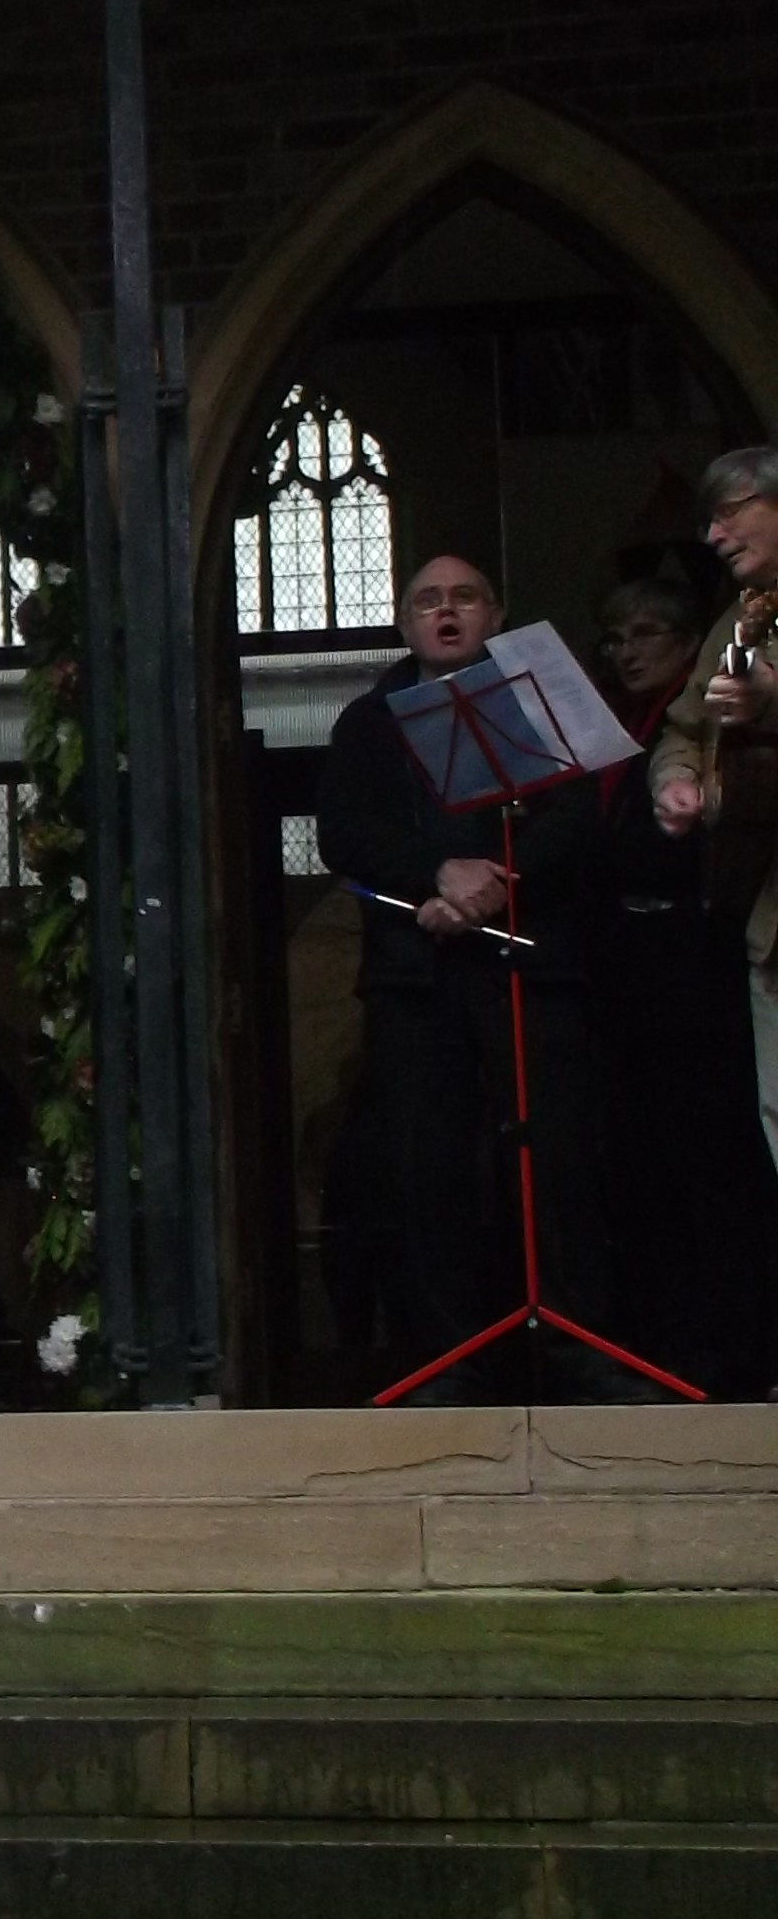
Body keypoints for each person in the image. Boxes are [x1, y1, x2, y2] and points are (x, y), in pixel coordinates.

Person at [314, 550, 621, 1391]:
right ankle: (450, 1360)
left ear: (496, 613)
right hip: (418, 974)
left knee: (557, 1163)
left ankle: (577, 1351)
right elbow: (343, 835)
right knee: (429, 1168)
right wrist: (438, 875)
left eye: (465, 598)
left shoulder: (540, 703)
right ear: (404, 623)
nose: (445, 613)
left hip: (532, 967)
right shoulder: (367, 723)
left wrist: (493, 885)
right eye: (427, 602)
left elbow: (577, 819)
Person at [590, 558, 776, 1397]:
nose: (628, 651)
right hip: (627, 970)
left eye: (647, 634)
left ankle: (735, 1352)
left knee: (716, 1161)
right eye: (616, 637)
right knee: (647, 1168)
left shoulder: (699, 725)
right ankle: (668, 1350)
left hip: (694, 960)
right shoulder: (620, 726)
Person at [650, 447, 778, 1180]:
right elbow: (682, 728)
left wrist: (770, 700)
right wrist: (678, 782)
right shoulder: (740, 619)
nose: (713, 536)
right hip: (767, 914)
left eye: (729, 515)